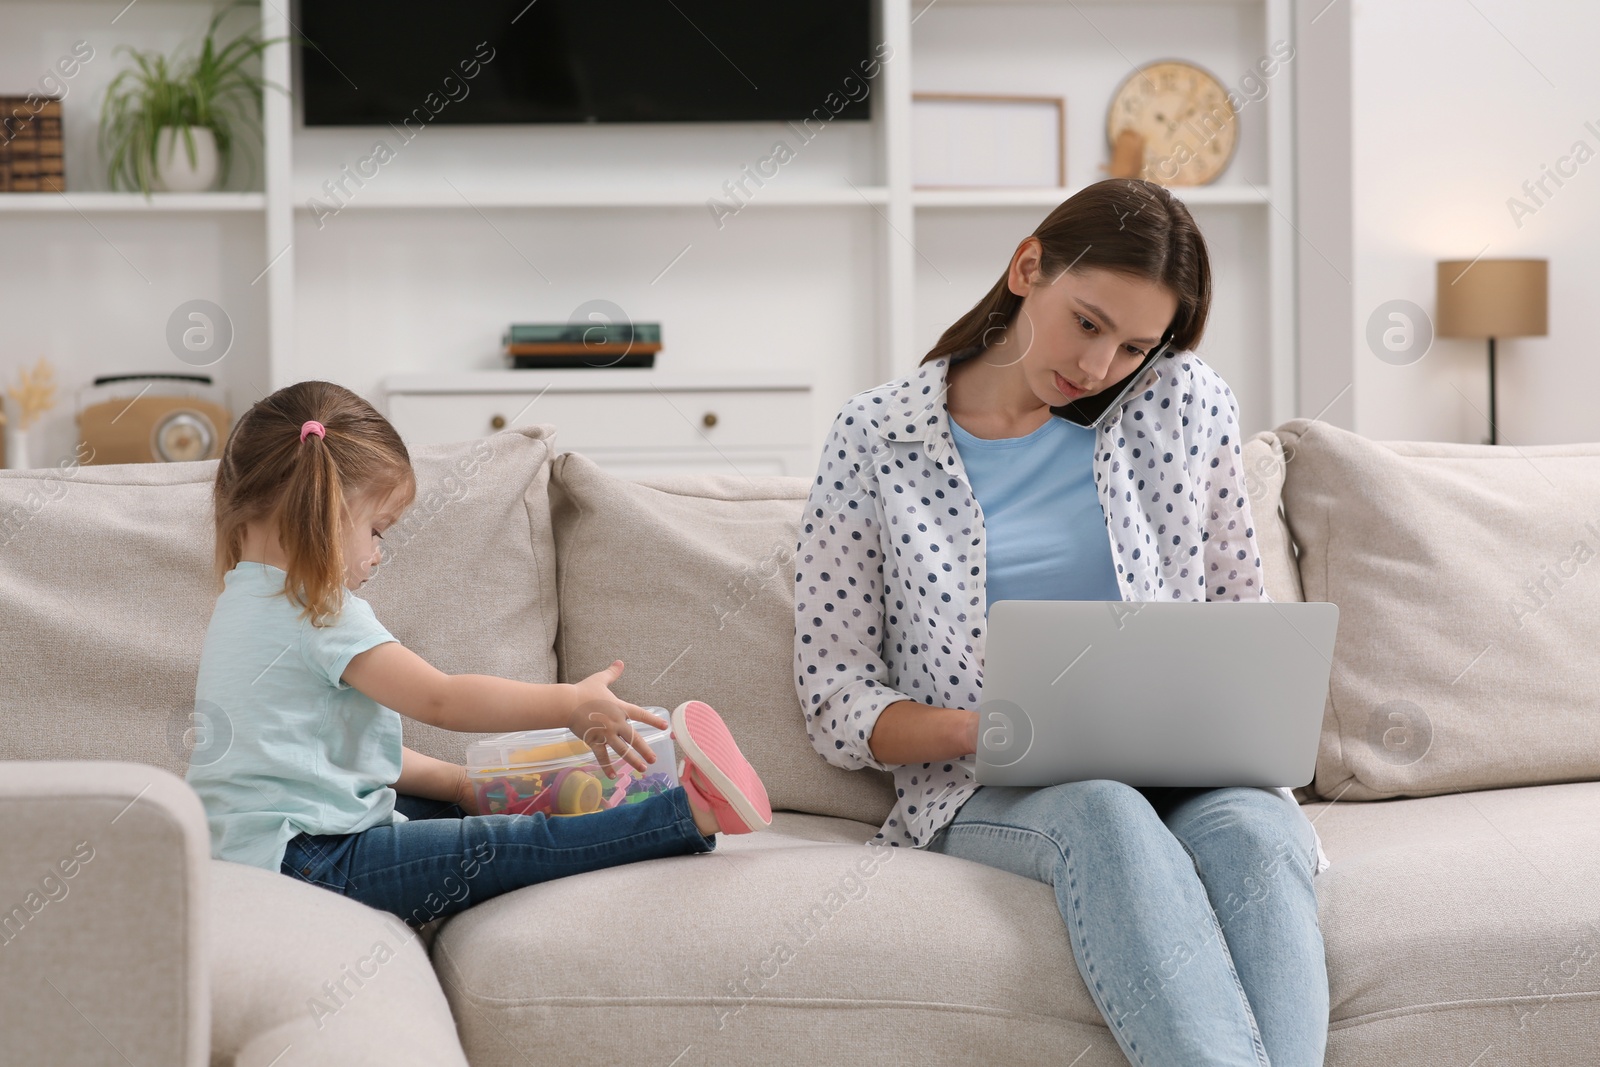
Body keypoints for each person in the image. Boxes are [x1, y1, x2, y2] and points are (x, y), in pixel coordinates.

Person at [793, 178, 1329, 1066]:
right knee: (1106, 814)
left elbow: (1240, 609)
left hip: (1187, 767)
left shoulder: (1184, 401)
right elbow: (834, 694)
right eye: (1087, 322)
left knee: (1260, 835)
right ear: (1027, 266)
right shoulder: (877, 437)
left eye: (1132, 346)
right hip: (989, 784)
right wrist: (984, 727)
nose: (1099, 366)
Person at [187, 380, 771, 930]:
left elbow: (329, 755)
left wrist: (459, 783)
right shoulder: (319, 612)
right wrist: (569, 702)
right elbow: (442, 699)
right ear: (324, 514)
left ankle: (604, 796)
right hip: (310, 865)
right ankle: (685, 816)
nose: (376, 556)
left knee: (467, 800)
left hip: (260, 852)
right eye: (378, 530)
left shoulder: (241, 602)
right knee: (497, 847)